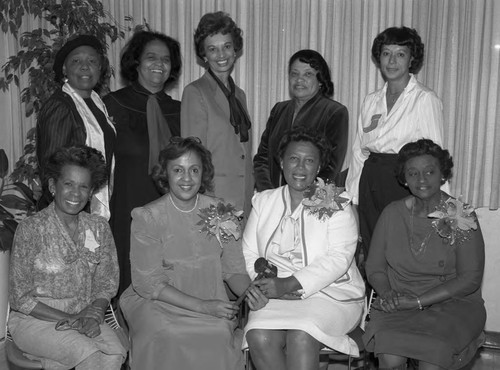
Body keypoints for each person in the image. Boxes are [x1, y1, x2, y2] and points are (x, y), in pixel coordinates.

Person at [120, 137, 266, 370]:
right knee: (170, 335)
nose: (186, 178)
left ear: (203, 173)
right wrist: (202, 306)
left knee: (218, 335)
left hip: (210, 296)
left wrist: (250, 293)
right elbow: (149, 284)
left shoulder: (221, 212)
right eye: (178, 170)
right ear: (165, 174)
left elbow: (234, 270)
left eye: (194, 170)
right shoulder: (147, 217)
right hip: (157, 302)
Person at [243, 127, 365, 370]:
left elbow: (339, 258)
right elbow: (250, 252)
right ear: (281, 162)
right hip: (275, 294)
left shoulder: (336, 202)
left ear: (319, 167)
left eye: (309, 161)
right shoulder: (264, 201)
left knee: (301, 334)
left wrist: (290, 284)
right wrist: (263, 287)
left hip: (330, 294)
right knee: (258, 335)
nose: (300, 168)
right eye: (293, 159)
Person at [363, 139, 486, 370]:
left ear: (442, 174)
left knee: (432, 358)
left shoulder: (461, 215)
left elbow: (470, 279)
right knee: (390, 357)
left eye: (429, 171)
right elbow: (375, 268)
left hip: (452, 304)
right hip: (400, 299)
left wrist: (418, 302)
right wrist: (388, 295)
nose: (421, 179)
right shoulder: (392, 213)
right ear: (404, 178)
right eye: (413, 173)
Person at [9, 146, 126, 369]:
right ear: (53, 186)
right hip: (36, 320)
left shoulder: (98, 227)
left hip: (86, 315)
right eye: (68, 184)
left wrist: (94, 313)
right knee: (87, 352)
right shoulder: (31, 229)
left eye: (84, 187)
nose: (76, 194)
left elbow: (106, 282)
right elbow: (19, 298)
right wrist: (71, 319)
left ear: (91, 192)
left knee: (115, 352)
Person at [345, 27, 445, 255]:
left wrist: (440, 205)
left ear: (412, 60)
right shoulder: (371, 100)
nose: (391, 61)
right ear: (378, 57)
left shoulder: (424, 99)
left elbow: (436, 157)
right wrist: (352, 198)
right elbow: (359, 152)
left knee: (402, 251)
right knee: (372, 250)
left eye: (400, 54)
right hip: (370, 181)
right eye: (386, 53)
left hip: (404, 183)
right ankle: (375, 292)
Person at [103, 30, 182, 294]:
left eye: (166, 59)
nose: (159, 64)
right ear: (136, 62)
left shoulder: (181, 110)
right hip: (127, 203)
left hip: (170, 207)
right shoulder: (111, 104)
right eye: (151, 57)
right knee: (128, 275)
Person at [181, 11, 253, 214]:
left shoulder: (240, 95)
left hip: (243, 197)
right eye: (213, 49)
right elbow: (192, 157)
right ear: (204, 55)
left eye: (227, 46)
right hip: (212, 200)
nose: (221, 55)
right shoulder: (195, 92)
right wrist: (203, 202)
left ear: (235, 49)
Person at [36, 34, 115, 219]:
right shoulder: (60, 106)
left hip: (88, 209)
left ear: (100, 68)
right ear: (64, 69)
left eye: (92, 61)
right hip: (67, 213)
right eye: (76, 60)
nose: (85, 66)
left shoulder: (97, 103)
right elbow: (52, 169)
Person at [253, 49, 349, 192]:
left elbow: (331, 166)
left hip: (309, 200)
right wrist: (269, 193)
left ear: (320, 80)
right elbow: (262, 158)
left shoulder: (334, 112)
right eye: (294, 74)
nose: (299, 80)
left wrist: (305, 198)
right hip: (272, 197)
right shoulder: (279, 109)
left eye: (308, 74)